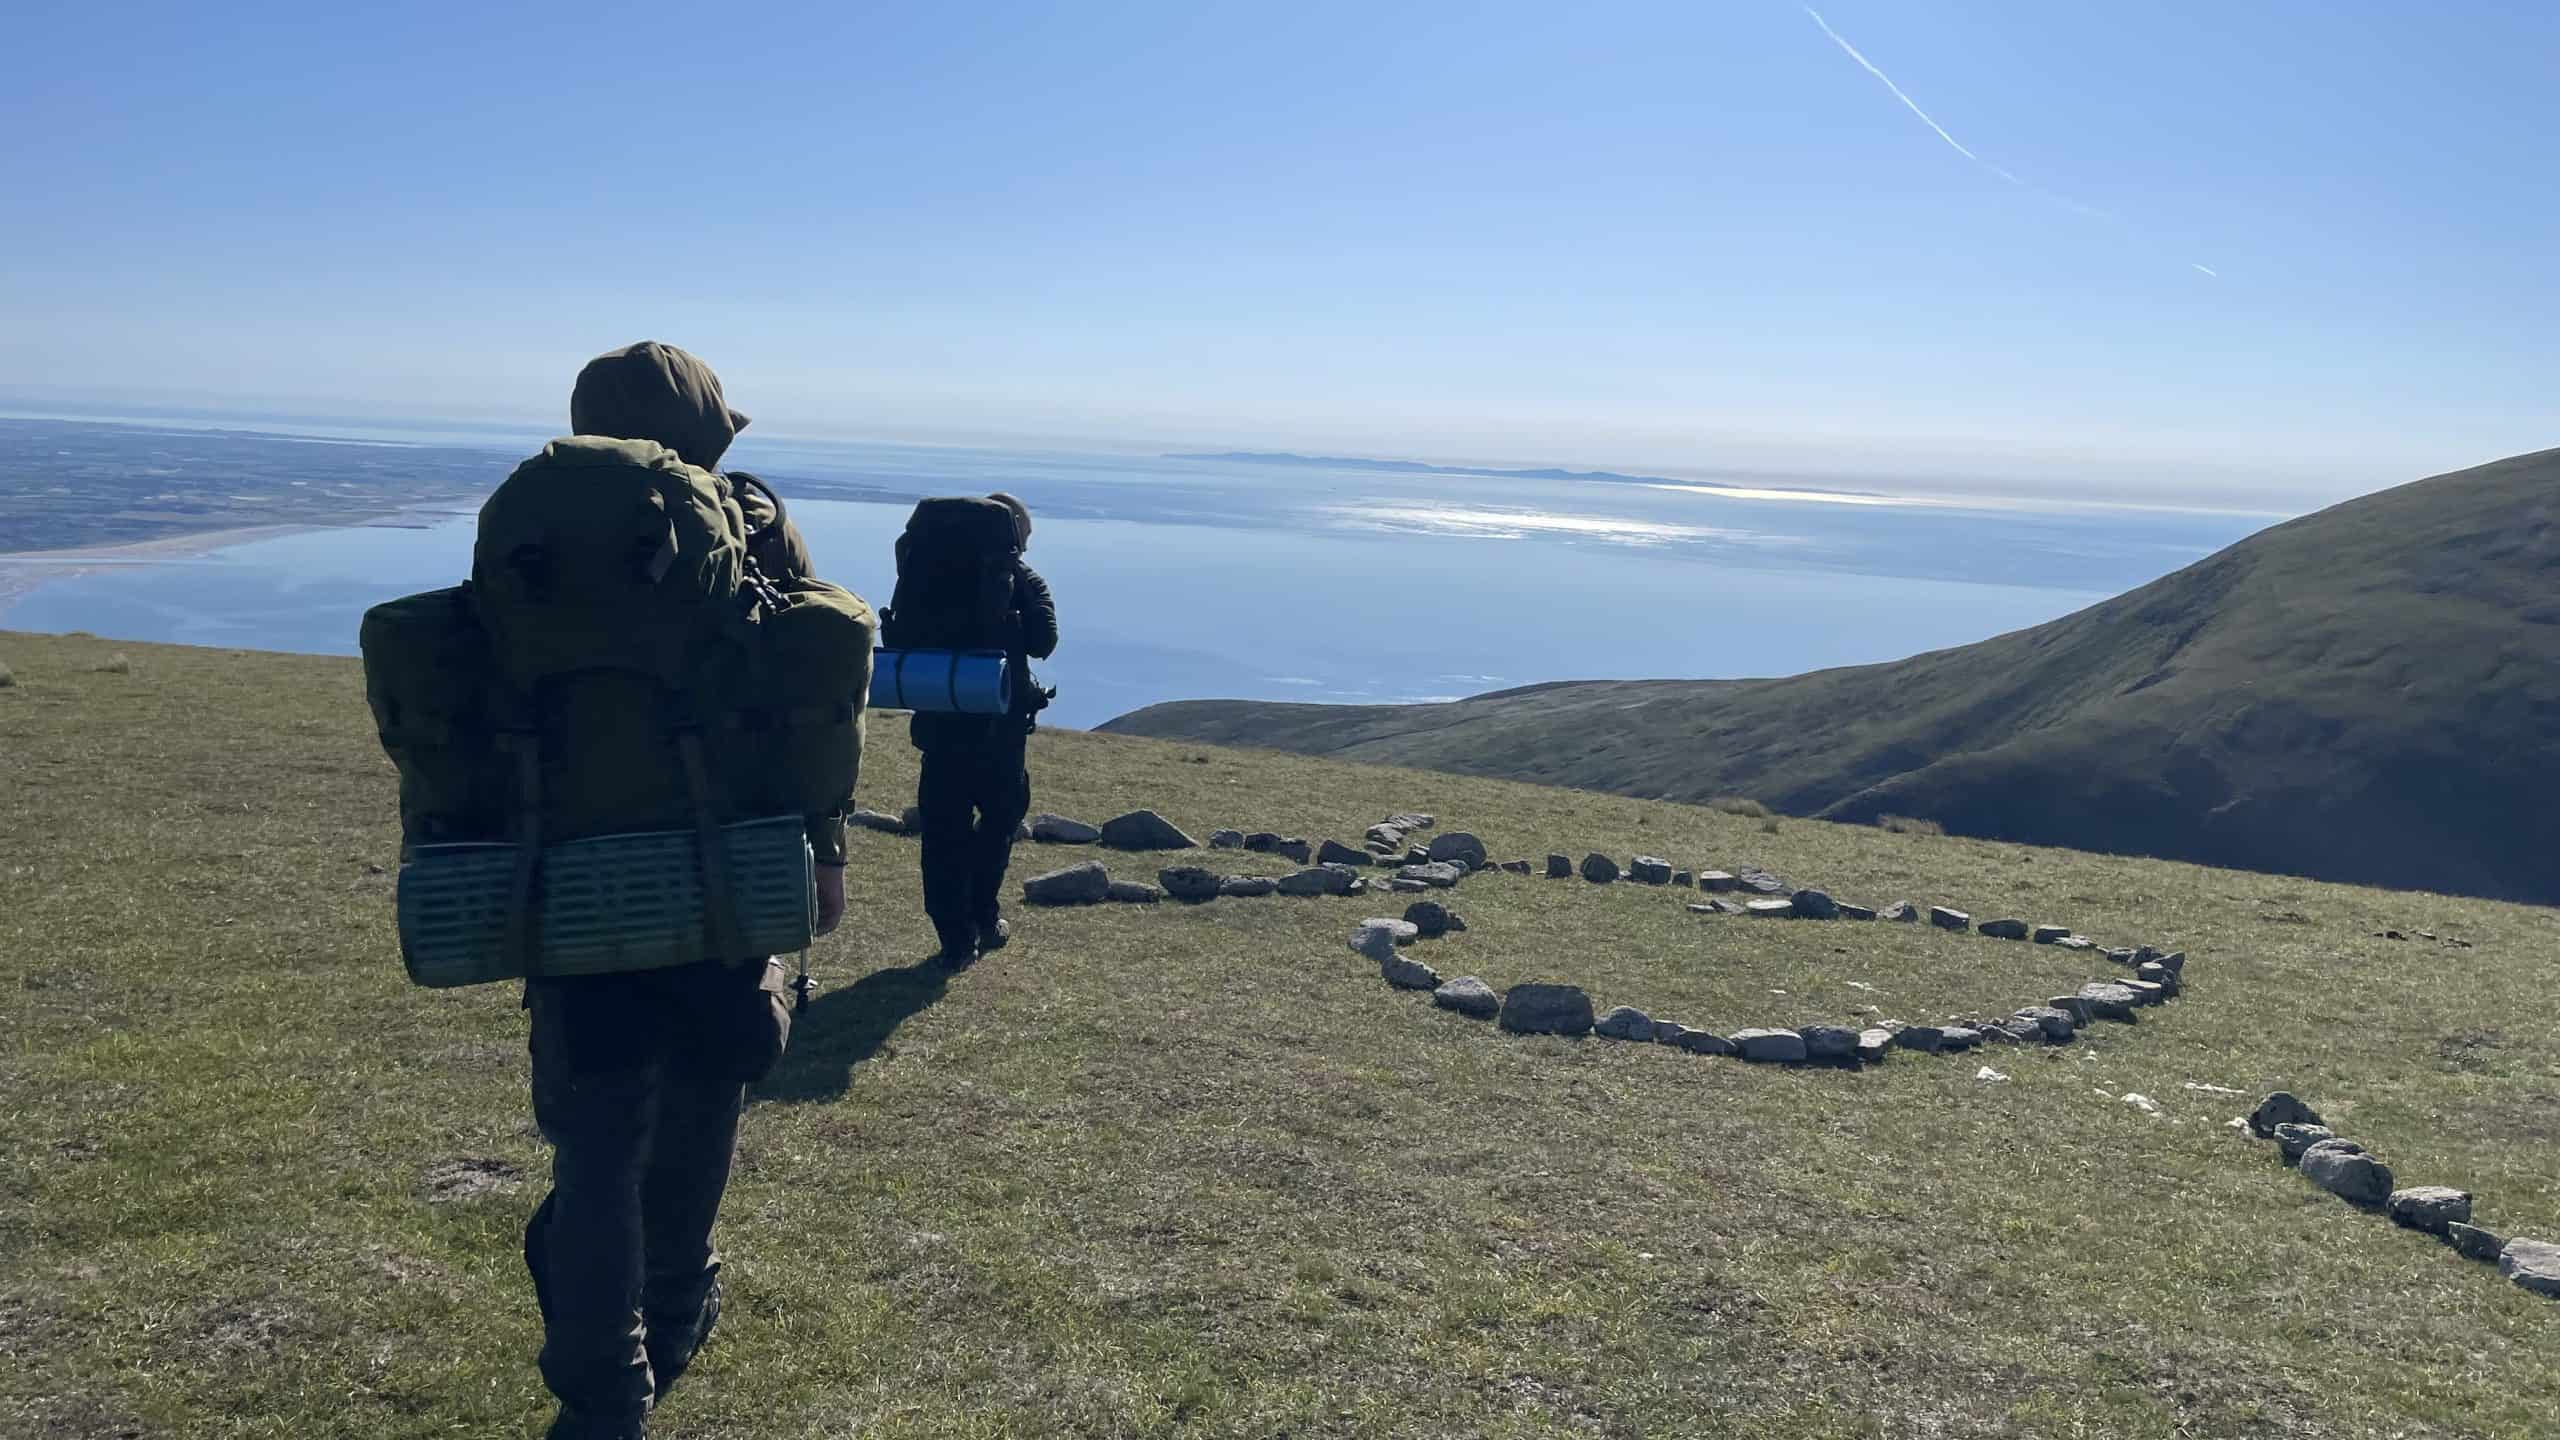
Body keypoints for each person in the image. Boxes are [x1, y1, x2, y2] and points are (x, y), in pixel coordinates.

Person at [520, 342, 849, 1440]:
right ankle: (668, 1317)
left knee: (597, 1138)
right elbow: (810, 690)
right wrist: (826, 846)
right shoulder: (749, 519)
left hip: (568, 872)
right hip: (726, 867)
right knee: (705, 1095)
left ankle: (601, 1392)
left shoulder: (534, 520)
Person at [910, 491, 1056, 967]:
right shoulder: (1018, 577)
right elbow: (1045, 640)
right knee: (999, 820)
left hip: (941, 720)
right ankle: (983, 916)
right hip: (1000, 727)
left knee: (943, 827)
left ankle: (954, 938)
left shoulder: (926, 570)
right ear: (1013, 532)